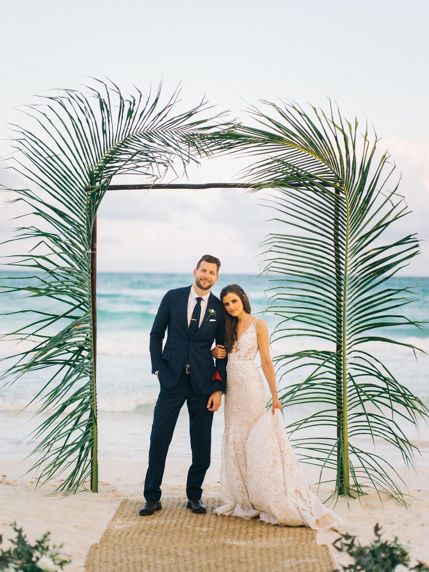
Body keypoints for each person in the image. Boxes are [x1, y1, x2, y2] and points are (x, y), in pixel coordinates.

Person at [211, 284, 340, 529]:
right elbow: (222, 355)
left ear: (244, 299)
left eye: (234, 301)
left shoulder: (259, 324)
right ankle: (242, 497)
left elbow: (267, 361)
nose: (230, 307)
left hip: (250, 386)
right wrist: (214, 351)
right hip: (232, 389)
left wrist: (275, 394)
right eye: (226, 303)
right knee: (235, 438)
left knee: (254, 439)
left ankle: (262, 494)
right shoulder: (225, 326)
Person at [140, 255, 227, 516]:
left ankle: (194, 496)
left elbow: (222, 350)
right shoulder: (173, 297)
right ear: (195, 271)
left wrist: (218, 388)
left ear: (216, 277)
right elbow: (156, 334)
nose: (206, 276)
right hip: (172, 380)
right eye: (203, 270)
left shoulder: (218, 308)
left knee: (201, 443)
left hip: (203, 383)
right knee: (159, 438)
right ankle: (152, 497)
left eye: (212, 273)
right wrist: (157, 367)